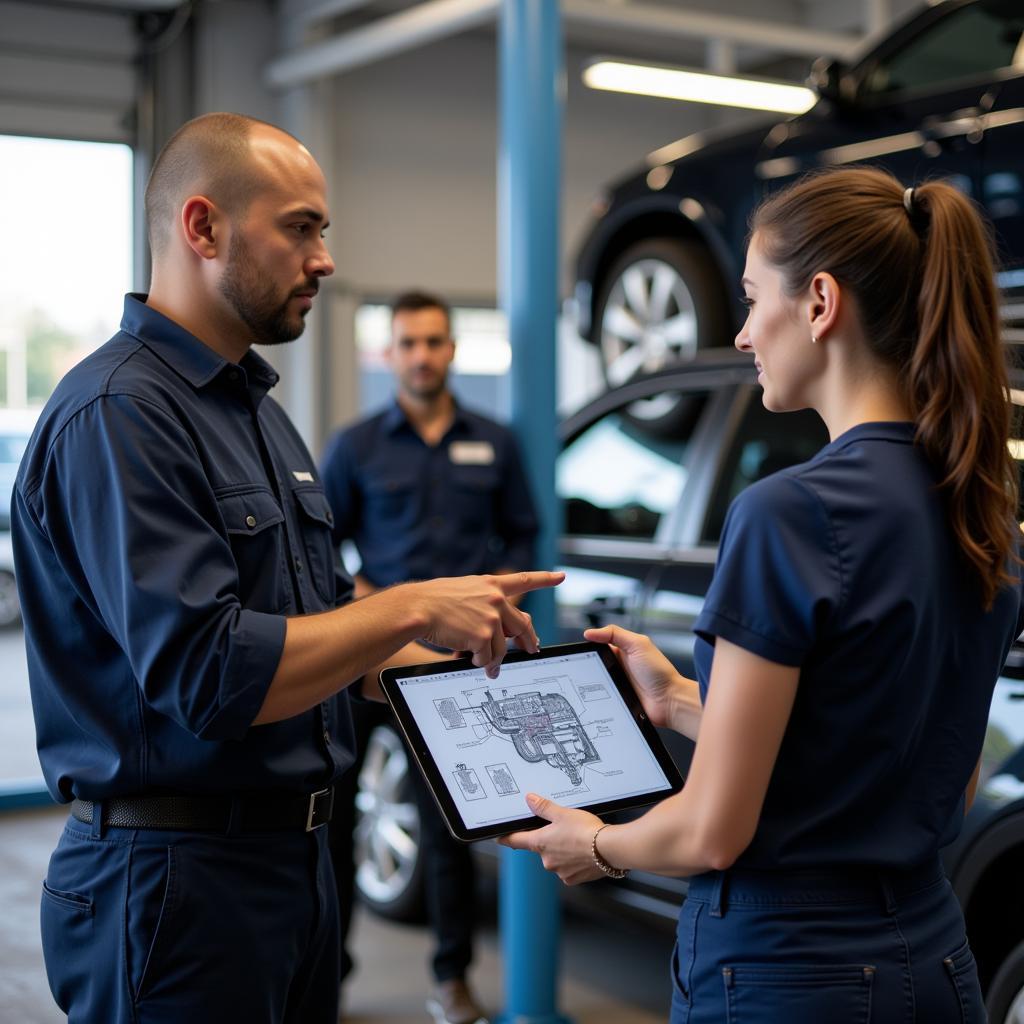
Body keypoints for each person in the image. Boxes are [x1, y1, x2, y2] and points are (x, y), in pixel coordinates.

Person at [11, 111, 561, 1024]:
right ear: (204, 228)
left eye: (323, 231)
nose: (325, 259)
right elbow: (211, 673)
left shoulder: (257, 413)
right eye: (301, 228)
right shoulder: (120, 415)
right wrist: (411, 606)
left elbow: (320, 631)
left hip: (291, 873)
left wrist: (489, 689)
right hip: (175, 884)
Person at [501, 166, 1024, 1023]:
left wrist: (594, 843)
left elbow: (713, 830)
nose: (742, 335)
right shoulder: (981, 509)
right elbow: (917, 767)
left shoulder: (789, 513)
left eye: (750, 299)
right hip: (934, 960)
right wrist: (677, 702)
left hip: (790, 976)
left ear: (819, 303)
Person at [321, 290, 538, 1024]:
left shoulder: (497, 442)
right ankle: (331, 979)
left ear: (451, 350)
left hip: (458, 673)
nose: (421, 355)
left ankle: (452, 980)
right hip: (370, 665)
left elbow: (523, 538)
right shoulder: (355, 447)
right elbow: (323, 556)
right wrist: (382, 610)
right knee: (338, 825)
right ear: (390, 354)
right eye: (407, 343)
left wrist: (494, 621)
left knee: (453, 825)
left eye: (434, 342)